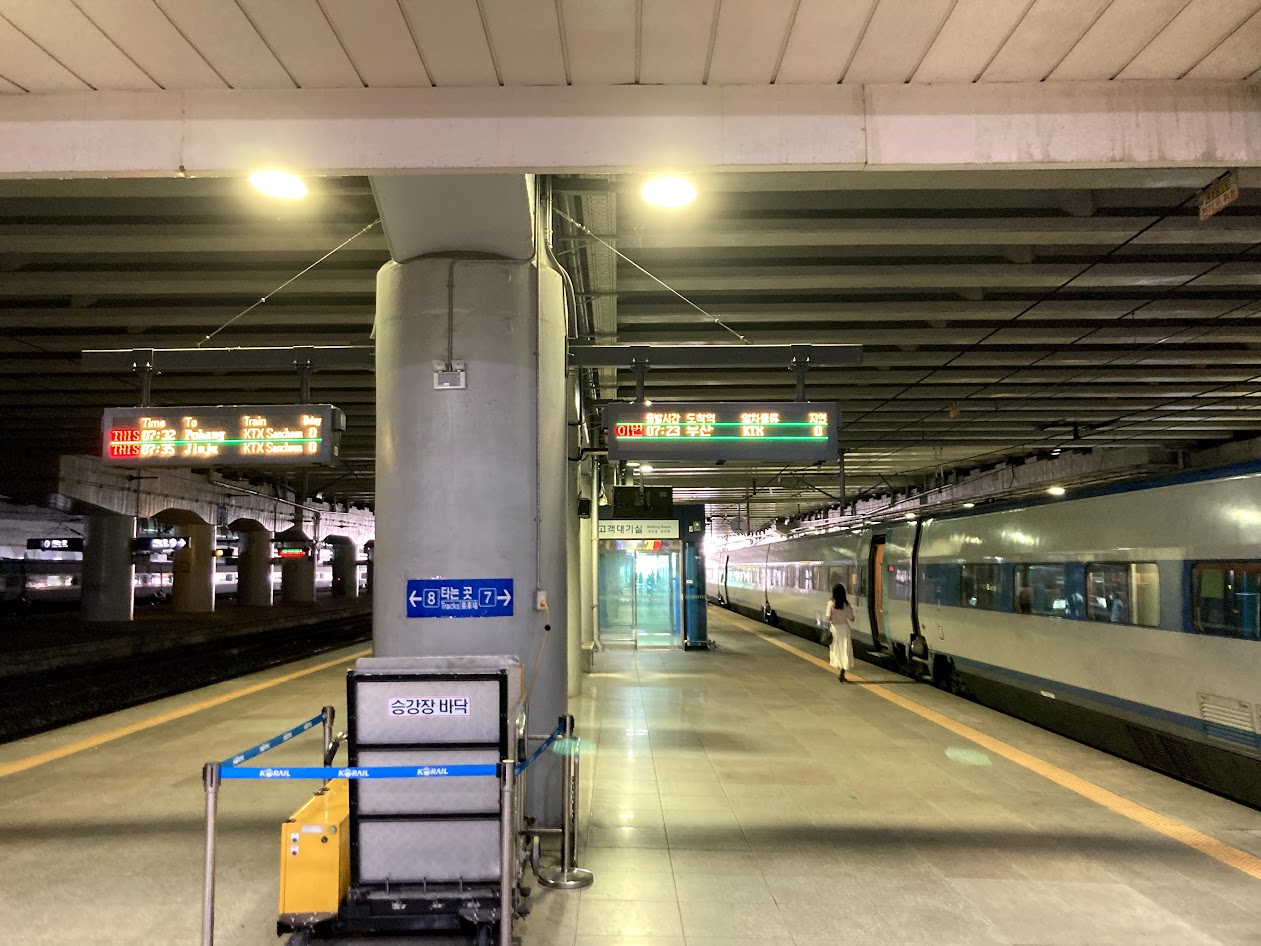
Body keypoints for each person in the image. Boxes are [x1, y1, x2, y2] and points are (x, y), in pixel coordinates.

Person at [825, 583, 856, 683]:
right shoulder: (846, 605)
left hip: (835, 629)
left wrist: (834, 616)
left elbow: (828, 617)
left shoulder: (831, 603)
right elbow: (852, 618)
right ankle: (842, 672)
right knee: (845, 650)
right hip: (844, 629)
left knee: (837, 650)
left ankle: (839, 667)